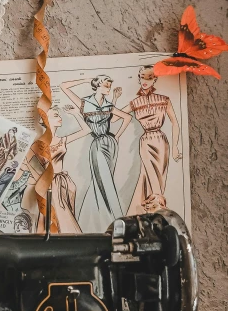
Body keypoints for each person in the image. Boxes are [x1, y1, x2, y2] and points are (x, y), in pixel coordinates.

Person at [61, 75, 131, 232]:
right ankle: (112, 218)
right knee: (102, 179)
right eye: (106, 85)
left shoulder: (108, 105)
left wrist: (117, 136)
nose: (108, 88)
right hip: (97, 144)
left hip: (110, 144)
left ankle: (102, 218)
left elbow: (126, 118)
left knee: (107, 179)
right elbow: (63, 86)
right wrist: (85, 80)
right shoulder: (84, 103)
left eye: (109, 86)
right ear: (98, 85)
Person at [116, 66, 182, 214]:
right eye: (142, 77)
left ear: (155, 79)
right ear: (138, 78)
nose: (145, 80)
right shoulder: (135, 102)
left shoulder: (164, 99)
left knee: (160, 178)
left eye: (149, 77)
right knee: (151, 175)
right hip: (146, 141)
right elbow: (114, 117)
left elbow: (175, 122)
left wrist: (176, 146)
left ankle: (147, 211)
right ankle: (158, 211)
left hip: (161, 141)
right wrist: (114, 100)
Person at [46, 105, 90, 233]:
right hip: (51, 184)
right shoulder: (41, 142)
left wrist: (76, 113)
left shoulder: (62, 140)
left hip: (65, 182)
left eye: (59, 115)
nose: (60, 118)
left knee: (68, 214)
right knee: (62, 216)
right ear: (46, 119)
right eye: (55, 115)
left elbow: (86, 130)